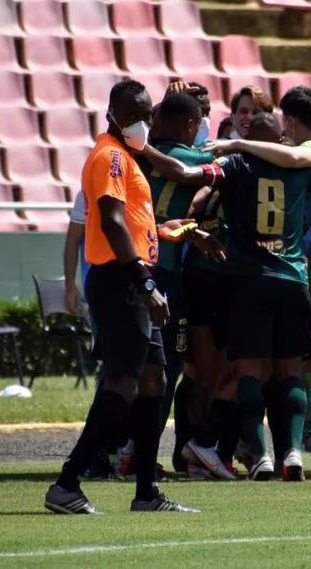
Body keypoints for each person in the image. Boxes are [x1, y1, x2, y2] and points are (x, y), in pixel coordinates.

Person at [208, 87, 311, 480]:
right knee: (304, 371)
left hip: (271, 275)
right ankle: (296, 453)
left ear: (291, 122)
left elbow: (196, 184)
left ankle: (275, 456)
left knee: (255, 372)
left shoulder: (267, 160)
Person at [44, 80, 198, 514]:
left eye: (147, 114)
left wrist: (162, 233)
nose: (142, 122)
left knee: (153, 382)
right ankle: (67, 483)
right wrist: (145, 283)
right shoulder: (110, 156)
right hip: (120, 281)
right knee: (123, 382)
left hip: (132, 275)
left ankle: (146, 492)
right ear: (112, 113)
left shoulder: (126, 158)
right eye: (134, 114)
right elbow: (111, 222)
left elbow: (127, 224)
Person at [140, 90, 218, 472]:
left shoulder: (134, 156)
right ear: (191, 125)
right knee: (166, 366)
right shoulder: (194, 157)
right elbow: (218, 168)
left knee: (125, 366)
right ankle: (142, 455)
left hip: (130, 264)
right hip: (165, 269)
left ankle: (116, 450)